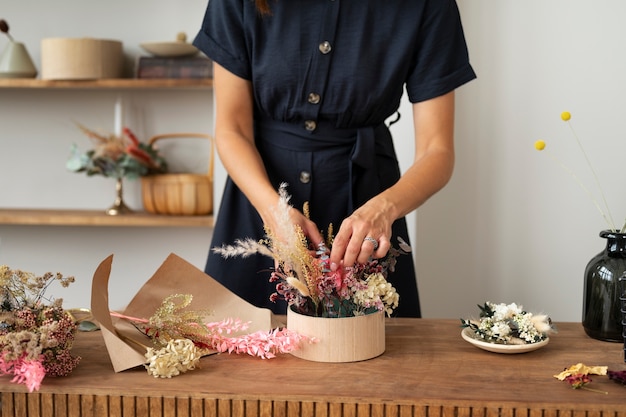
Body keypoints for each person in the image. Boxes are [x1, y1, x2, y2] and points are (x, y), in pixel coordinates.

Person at [192, 0, 476, 317]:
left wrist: (384, 209)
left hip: (368, 216)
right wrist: (275, 213)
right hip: (259, 202)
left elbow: (437, 151)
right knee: (229, 357)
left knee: (380, 360)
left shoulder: (428, 6)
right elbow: (232, 129)